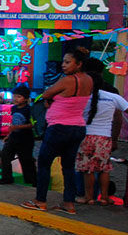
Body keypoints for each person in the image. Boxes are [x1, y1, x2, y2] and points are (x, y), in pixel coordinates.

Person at [21, 47, 93, 215]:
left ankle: (40, 200)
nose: (64, 65)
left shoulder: (68, 80)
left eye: (68, 62)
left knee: (44, 164)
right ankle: (69, 203)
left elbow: (47, 94)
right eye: (63, 62)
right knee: (68, 166)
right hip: (78, 127)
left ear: (79, 64)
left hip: (59, 127)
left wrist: (50, 98)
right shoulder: (89, 80)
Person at [75, 59, 128, 204]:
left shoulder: (83, 98)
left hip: (86, 136)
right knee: (104, 168)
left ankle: (88, 197)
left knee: (88, 169)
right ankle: (104, 197)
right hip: (105, 137)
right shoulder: (113, 97)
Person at [0, 85, 36, 185]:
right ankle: (7, 178)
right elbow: (14, 123)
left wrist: (18, 127)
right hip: (14, 137)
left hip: (25, 139)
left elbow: (33, 124)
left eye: (19, 97)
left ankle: (32, 181)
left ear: (26, 98)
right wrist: (9, 135)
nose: (15, 99)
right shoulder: (13, 108)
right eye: (14, 96)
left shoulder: (29, 110)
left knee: (26, 160)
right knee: (5, 155)